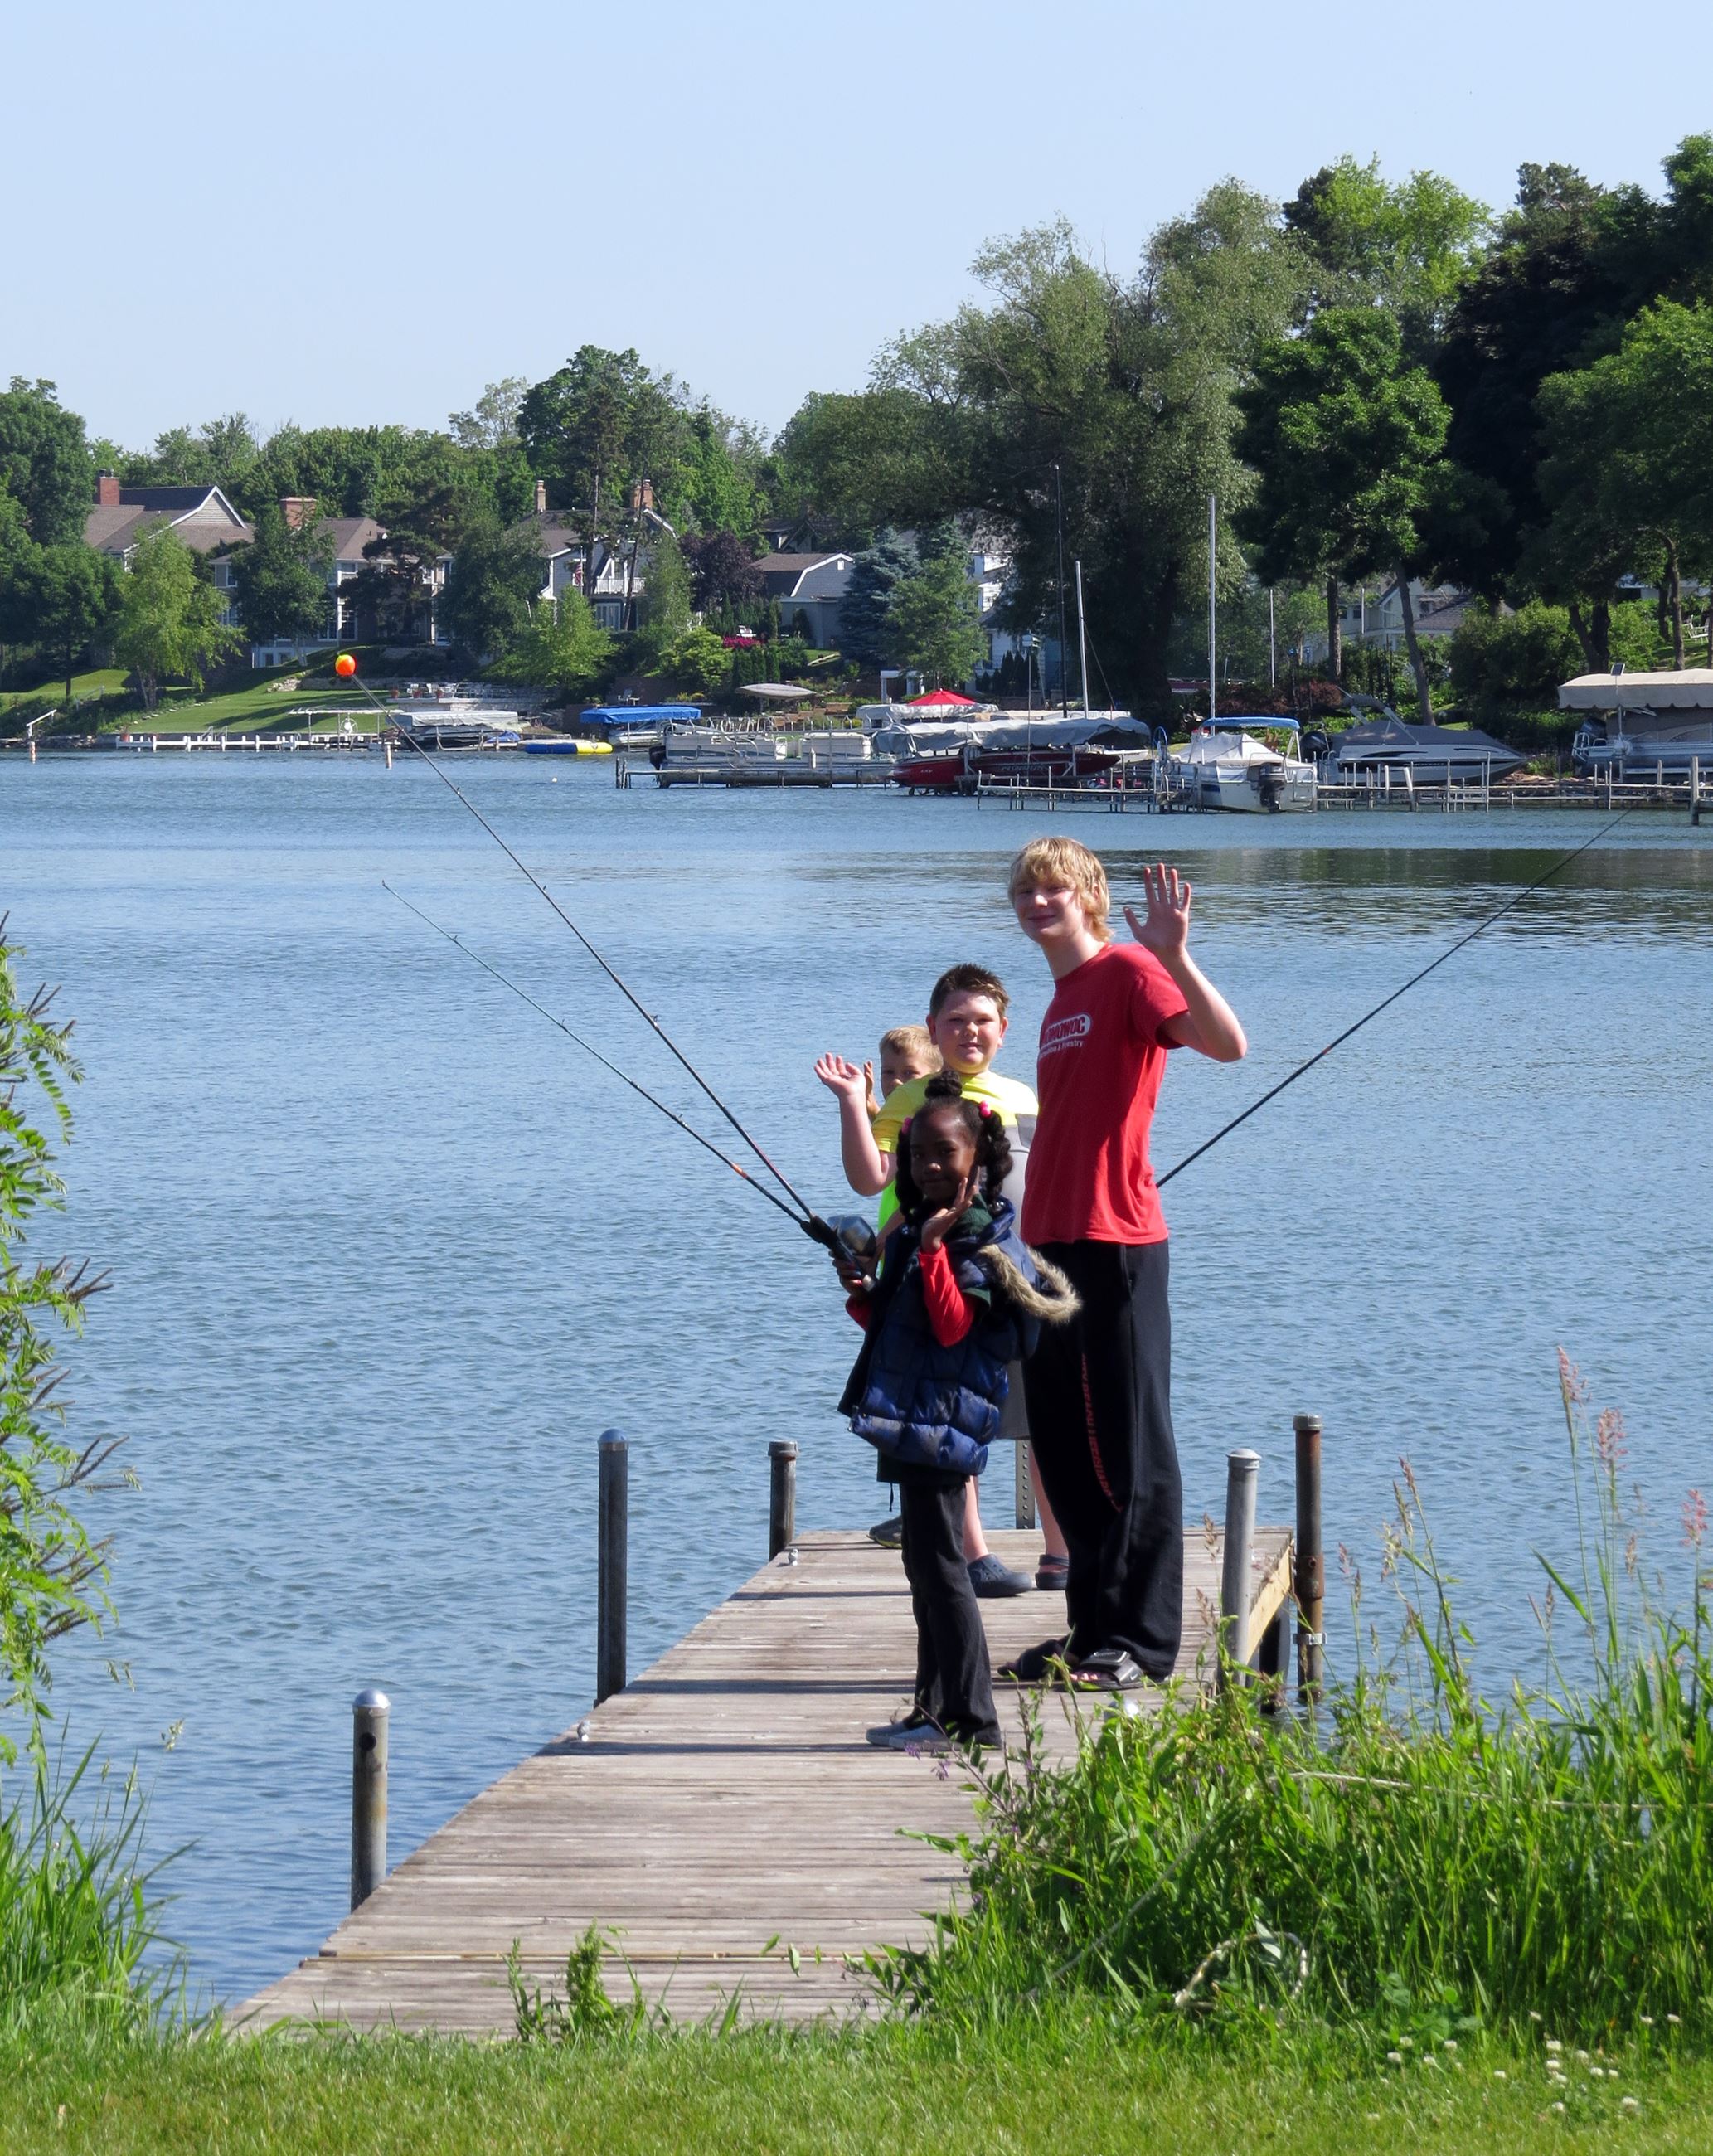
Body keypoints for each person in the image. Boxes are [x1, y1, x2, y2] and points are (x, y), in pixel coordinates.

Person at [1002, 838, 1247, 1692]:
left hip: (1118, 1240)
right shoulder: (1062, 995)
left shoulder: (1133, 970)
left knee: (1132, 1444)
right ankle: (1089, 1629)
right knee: (1068, 1450)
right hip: (1048, 1245)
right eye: (1026, 892)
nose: (1038, 903)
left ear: (1088, 894)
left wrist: (1177, 952)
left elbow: (1227, 1045)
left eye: (1053, 889)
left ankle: (1140, 1644)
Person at [833, 1073, 1077, 1751]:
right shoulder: (913, 1231)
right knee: (924, 1567)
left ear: (980, 1160)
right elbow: (891, 1324)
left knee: (944, 1573)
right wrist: (861, 1287)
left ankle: (974, 1722)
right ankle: (932, 1707)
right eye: (918, 1157)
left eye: (946, 1154)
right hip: (912, 1420)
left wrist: (937, 1248)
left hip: (945, 1427)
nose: (930, 1168)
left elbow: (949, 1328)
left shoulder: (977, 1239)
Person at [816, 964, 1065, 1596]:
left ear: (1004, 1030)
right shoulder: (908, 1099)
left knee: (1041, 1408)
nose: (969, 1031)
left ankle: (1061, 1551)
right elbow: (869, 1179)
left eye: (982, 1020)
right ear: (934, 1028)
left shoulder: (1026, 1097)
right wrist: (852, 1103)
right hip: (938, 1269)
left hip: (1015, 1267)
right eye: (955, 1020)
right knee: (953, 1406)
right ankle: (973, 1550)